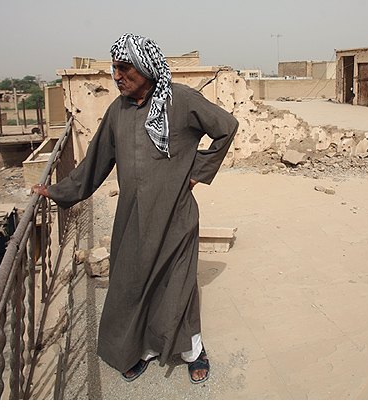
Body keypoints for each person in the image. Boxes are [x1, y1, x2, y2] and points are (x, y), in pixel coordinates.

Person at [32, 33, 238, 384]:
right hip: (132, 219)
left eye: (124, 68)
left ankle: (192, 350)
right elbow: (96, 161)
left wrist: (197, 174)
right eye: (114, 68)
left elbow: (226, 127)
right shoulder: (118, 111)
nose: (116, 76)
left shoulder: (181, 100)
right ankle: (140, 350)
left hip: (175, 215)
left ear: (145, 67)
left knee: (179, 286)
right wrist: (57, 191)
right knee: (130, 284)